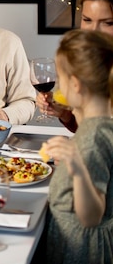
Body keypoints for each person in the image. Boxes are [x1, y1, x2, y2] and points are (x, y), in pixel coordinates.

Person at [41, 29, 113, 263]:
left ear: (75, 84)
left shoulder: (92, 139)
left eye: (61, 79)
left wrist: (78, 169)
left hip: (80, 250)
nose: (59, 86)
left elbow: (91, 216)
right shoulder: (99, 125)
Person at [37, 0, 113, 132]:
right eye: (87, 20)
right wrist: (66, 114)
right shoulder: (86, 59)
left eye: (108, 23)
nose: (93, 31)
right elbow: (91, 132)